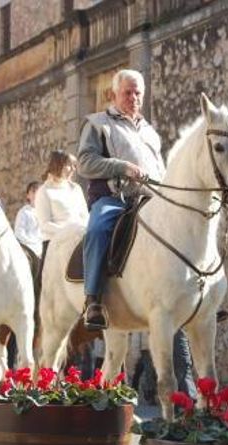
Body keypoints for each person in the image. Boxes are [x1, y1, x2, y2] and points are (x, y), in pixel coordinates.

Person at [76, 68, 165, 331]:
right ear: (113, 93)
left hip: (151, 199)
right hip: (114, 199)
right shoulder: (97, 123)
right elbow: (85, 163)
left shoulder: (149, 131)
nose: (134, 97)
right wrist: (122, 167)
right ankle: (93, 299)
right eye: (128, 92)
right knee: (97, 228)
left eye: (138, 93)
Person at [35, 150, 89, 259]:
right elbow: (44, 224)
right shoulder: (44, 191)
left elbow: (84, 216)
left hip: (79, 241)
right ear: (57, 165)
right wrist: (69, 232)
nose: (73, 169)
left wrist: (81, 232)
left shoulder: (76, 189)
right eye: (69, 165)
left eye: (74, 166)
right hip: (55, 245)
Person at [13, 181, 42, 257]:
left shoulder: (45, 212)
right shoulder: (23, 212)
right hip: (29, 247)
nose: (36, 194)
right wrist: (32, 242)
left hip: (42, 244)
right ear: (28, 195)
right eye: (33, 191)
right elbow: (19, 233)